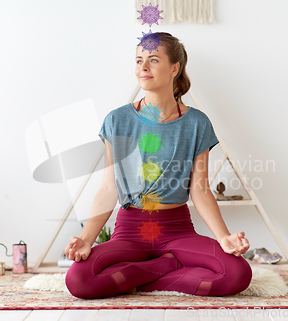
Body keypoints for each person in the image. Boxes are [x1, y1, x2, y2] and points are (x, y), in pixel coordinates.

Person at [64, 32, 252, 299]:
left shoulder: (197, 123)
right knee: (78, 281)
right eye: (139, 60)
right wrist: (86, 240)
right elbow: (108, 189)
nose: (143, 67)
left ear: (175, 68)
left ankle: (140, 275)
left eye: (153, 60)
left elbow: (200, 190)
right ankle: (168, 267)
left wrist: (224, 238)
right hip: (129, 231)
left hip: (177, 231)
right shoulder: (117, 121)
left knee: (237, 274)